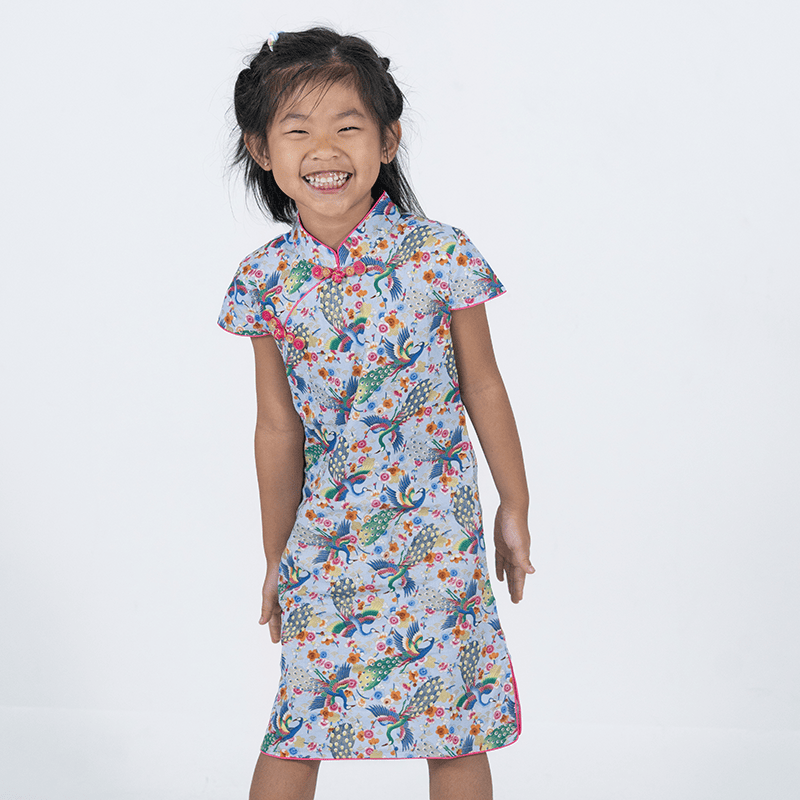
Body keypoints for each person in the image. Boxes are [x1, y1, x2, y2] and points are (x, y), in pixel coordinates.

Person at [218, 27, 534, 800]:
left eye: (348, 126)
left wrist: (515, 504)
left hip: (436, 536)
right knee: (300, 722)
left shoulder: (441, 255)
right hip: (327, 536)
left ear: (387, 140)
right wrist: (276, 557)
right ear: (262, 150)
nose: (325, 149)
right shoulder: (265, 280)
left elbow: (484, 387)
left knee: (452, 725)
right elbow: (277, 427)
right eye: (298, 130)